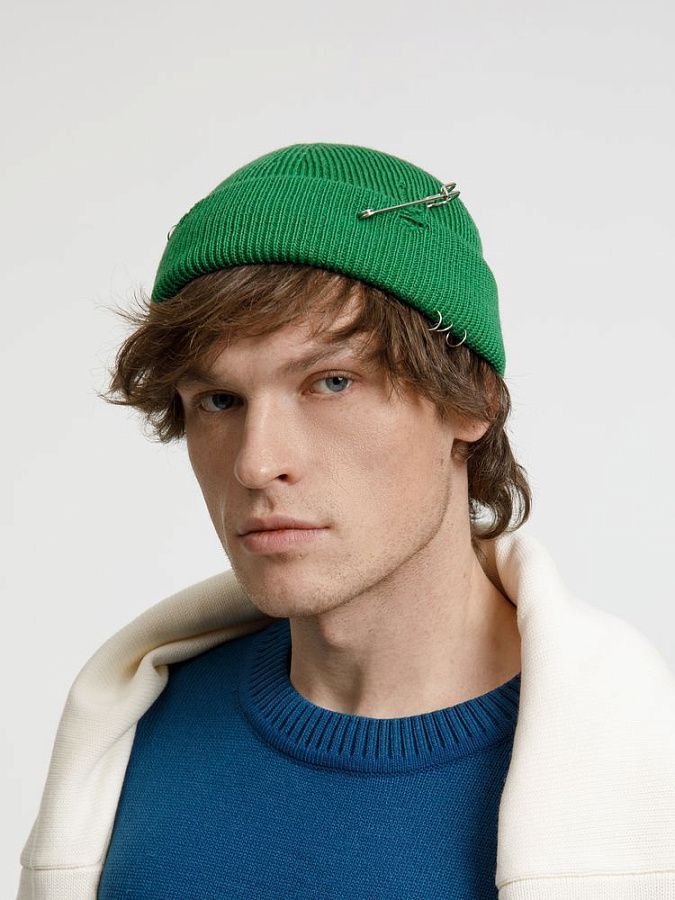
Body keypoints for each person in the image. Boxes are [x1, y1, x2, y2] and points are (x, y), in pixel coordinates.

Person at [16, 143, 675, 899]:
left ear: (471, 402)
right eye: (219, 401)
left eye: (331, 382)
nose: (257, 463)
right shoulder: (130, 734)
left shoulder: (638, 765)